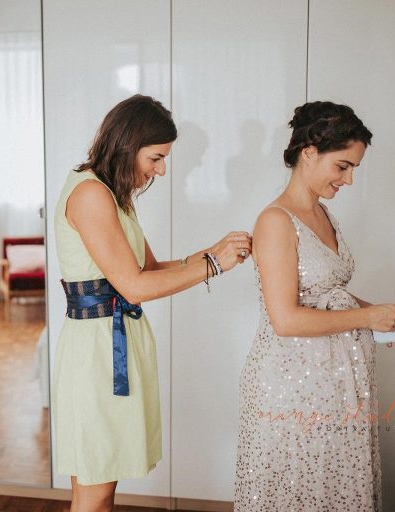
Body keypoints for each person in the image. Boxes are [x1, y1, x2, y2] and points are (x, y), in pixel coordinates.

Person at [53, 94, 252, 511]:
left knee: (99, 487)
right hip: (98, 355)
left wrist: (212, 251)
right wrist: (213, 265)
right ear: (127, 144)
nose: (161, 170)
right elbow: (135, 287)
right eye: (156, 158)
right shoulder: (91, 195)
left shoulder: (112, 193)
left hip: (113, 344)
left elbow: (150, 269)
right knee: (94, 490)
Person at [233, 101, 395, 511]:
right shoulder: (276, 221)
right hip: (290, 384)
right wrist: (367, 317)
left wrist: (381, 312)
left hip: (334, 382)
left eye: (353, 169)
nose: (349, 179)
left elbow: (328, 291)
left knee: (331, 488)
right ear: (309, 152)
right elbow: (285, 318)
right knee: (297, 489)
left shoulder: (323, 213)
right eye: (342, 166)